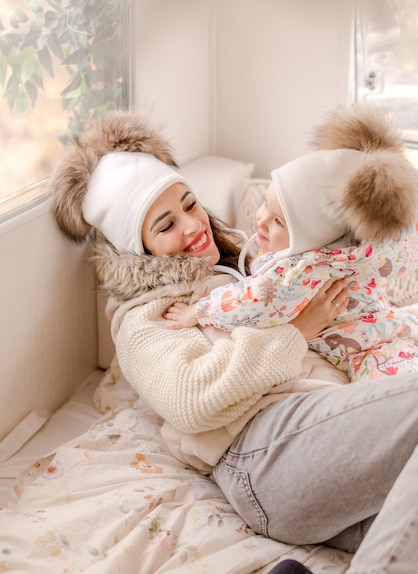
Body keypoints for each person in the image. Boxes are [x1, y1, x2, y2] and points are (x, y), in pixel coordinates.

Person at [49, 105, 418, 574]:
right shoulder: (146, 316)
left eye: (190, 204)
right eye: (166, 225)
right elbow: (192, 401)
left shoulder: (247, 259)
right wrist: (297, 333)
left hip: (329, 440)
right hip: (264, 453)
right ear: (141, 247)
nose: (194, 226)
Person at [164, 104, 418, 382]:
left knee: (392, 393)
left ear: (312, 241)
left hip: (372, 350)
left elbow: (255, 301)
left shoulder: (302, 271)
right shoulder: (351, 250)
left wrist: (197, 312)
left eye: (278, 222)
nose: (260, 220)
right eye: (265, 205)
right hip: (390, 323)